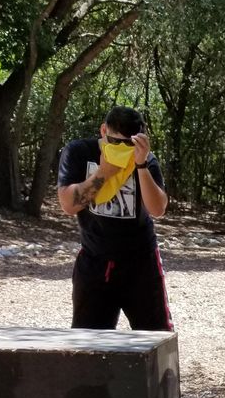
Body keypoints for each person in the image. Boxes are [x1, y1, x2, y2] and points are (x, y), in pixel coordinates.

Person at [57, 106, 172, 330]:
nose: (121, 149)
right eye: (115, 142)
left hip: (141, 264)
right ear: (103, 131)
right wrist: (105, 171)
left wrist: (140, 165)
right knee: (89, 345)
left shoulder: (146, 159)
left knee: (156, 338)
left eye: (128, 144)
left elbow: (158, 209)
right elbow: (68, 205)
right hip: (94, 262)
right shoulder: (79, 152)